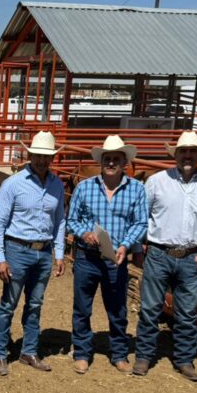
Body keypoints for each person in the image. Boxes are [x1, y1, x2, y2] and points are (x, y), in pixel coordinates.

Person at [133, 131, 197, 382]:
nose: (187, 156)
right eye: (183, 151)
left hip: (191, 255)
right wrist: (140, 246)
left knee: (186, 312)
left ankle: (184, 360)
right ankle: (143, 355)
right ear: (176, 155)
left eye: (192, 152)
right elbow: (142, 215)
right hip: (159, 252)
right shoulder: (156, 181)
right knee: (150, 308)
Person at [66, 135, 148, 374]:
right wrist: (84, 233)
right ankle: (81, 352)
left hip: (116, 257)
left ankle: (119, 353)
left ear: (124, 163)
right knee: (82, 306)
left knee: (117, 308)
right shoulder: (84, 187)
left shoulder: (137, 189)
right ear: (101, 162)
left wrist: (126, 245)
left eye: (116, 159)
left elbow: (140, 223)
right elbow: (72, 219)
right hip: (87, 255)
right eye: (107, 159)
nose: (111, 163)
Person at [0, 130, 66, 376]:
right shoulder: (13, 183)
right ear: (30, 155)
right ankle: (0, 353)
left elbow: (59, 220)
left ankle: (28, 350)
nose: (42, 160)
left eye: (47, 156)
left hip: (43, 252)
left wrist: (59, 253)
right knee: (8, 303)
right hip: (17, 249)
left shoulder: (56, 185)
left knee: (35, 303)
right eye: (38, 155)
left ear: (51, 158)